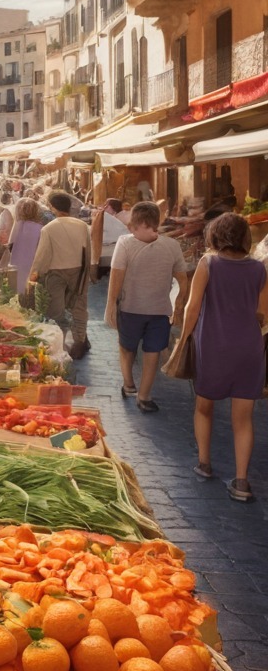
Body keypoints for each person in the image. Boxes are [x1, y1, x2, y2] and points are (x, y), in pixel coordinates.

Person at [177, 213, 268, 502]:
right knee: (243, 417)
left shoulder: (209, 264)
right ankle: (242, 482)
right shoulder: (260, 269)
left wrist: (182, 340)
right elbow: (262, 312)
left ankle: (204, 463)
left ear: (215, 236)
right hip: (249, 347)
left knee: (204, 407)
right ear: (245, 237)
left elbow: (192, 308)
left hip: (214, 344)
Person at [105, 201, 188, 413]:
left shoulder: (125, 243)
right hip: (149, 310)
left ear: (146, 224)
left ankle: (139, 391)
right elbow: (182, 279)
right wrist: (178, 305)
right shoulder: (171, 246)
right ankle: (133, 388)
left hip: (143, 310)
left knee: (132, 348)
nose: (130, 229)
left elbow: (117, 275)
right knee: (144, 351)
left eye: (134, 225)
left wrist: (111, 306)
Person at [28, 191, 91, 359]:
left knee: (56, 310)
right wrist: (89, 272)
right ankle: (80, 341)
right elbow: (88, 251)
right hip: (78, 270)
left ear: (53, 207)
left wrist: (34, 274)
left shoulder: (49, 228)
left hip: (55, 273)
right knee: (79, 307)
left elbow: (43, 255)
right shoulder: (82, 226)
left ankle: (59, 345)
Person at [8, 198, 45, 307]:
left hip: (16, 266)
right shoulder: (41, 228)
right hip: (33, 267)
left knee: (16, 298)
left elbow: (11, 245)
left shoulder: (17, 225)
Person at [91, 199, 129, 281]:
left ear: (113, 207)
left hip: (116, 246)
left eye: (107, 206)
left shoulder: (111, 217)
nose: (104, 207)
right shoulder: (112, 217)